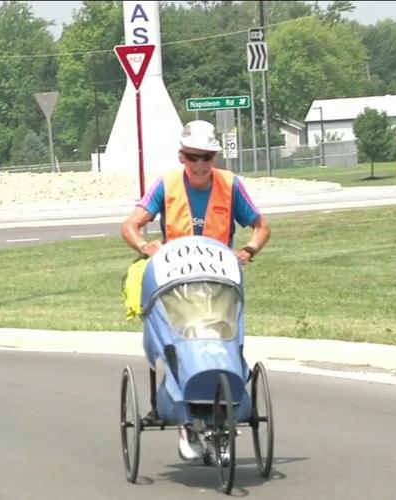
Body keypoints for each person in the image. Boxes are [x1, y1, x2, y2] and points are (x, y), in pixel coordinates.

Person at [120, 120, 271, 461]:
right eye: (193, 157)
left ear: (215, 156)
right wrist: (145, 246)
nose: (200, 165)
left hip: (219, 281)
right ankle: (187, 420)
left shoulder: (231, 185)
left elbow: (261, 226)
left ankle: (224, 414)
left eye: (206, 157)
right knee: (181, 341)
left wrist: (248, 251)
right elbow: (130, 225)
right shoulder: (166, 184)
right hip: (178, 282)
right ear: (182, 156)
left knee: (221, 340)